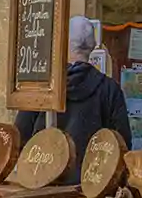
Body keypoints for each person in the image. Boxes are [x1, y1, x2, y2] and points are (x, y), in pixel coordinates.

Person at [53, 16, 131, 184]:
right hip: (91, 185)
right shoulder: (110, 89)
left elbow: (21, 134)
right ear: (94, 46)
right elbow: (122, 144)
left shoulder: (46, 87)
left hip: (44, 183)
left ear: (64, 43)